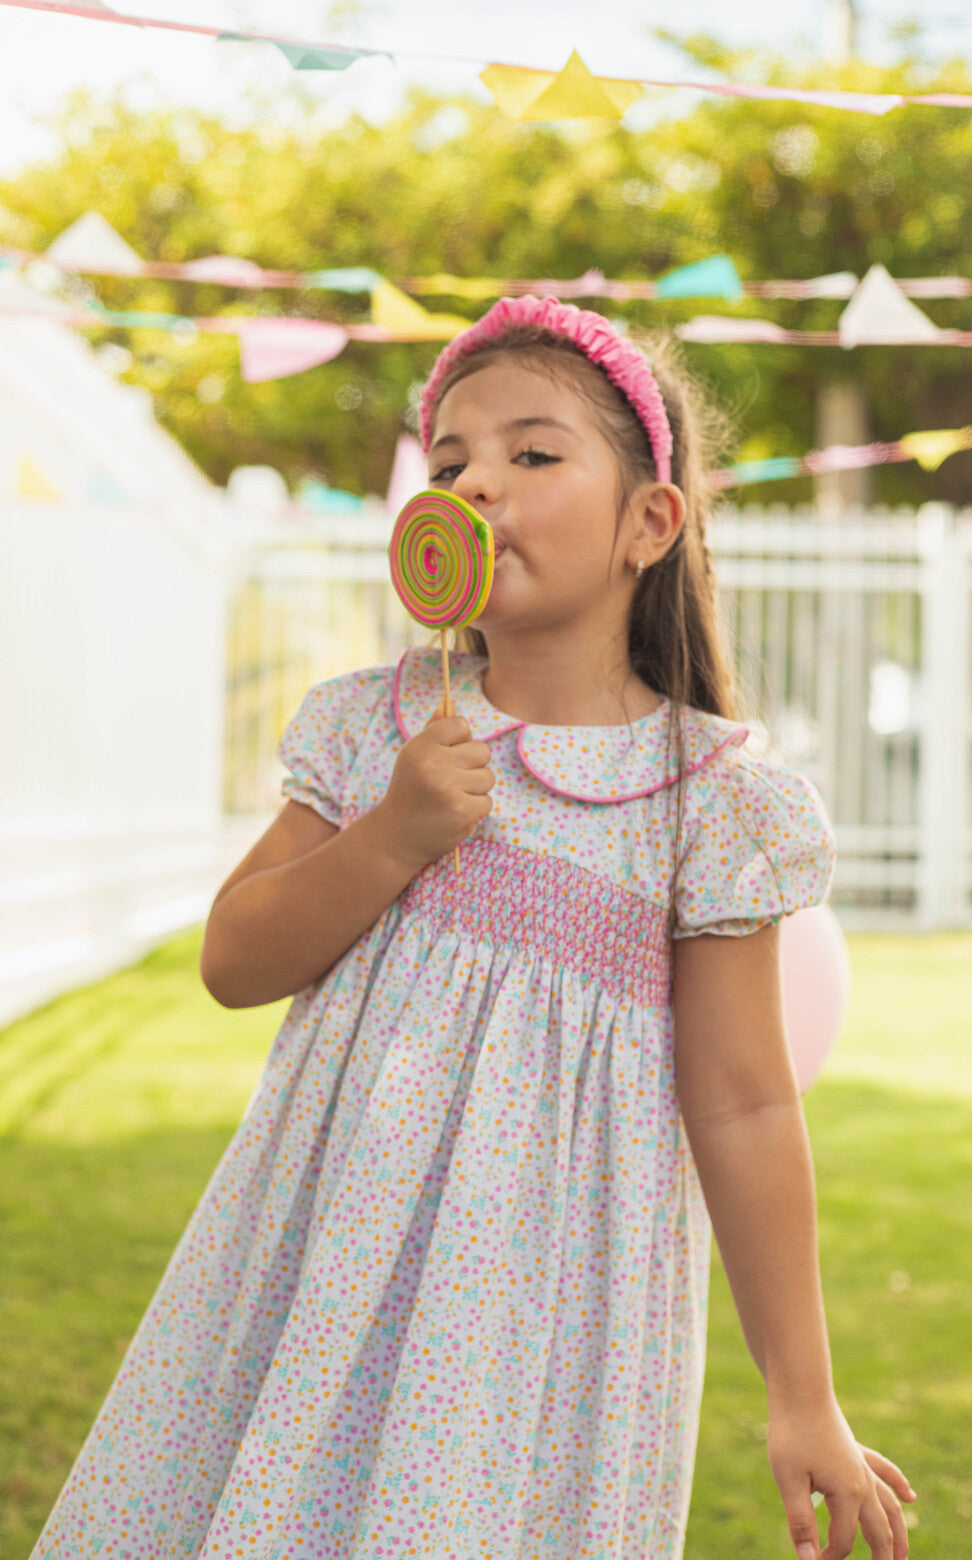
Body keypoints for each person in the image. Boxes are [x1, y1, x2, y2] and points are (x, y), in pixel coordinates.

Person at [32, 295, 916, 1560]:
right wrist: (388, 838)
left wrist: (800, 1391)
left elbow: (742, 1104)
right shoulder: (372, 728)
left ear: (647, 524)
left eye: (531, 453)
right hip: (318, 1257)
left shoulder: (710, 803)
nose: (477, 482)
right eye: (449, 462)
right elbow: (234, 961)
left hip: (535, 1319)